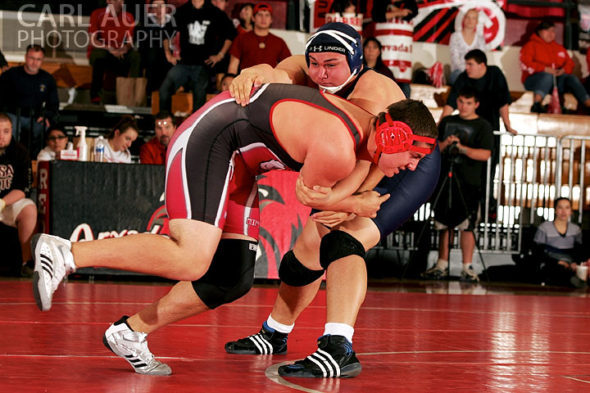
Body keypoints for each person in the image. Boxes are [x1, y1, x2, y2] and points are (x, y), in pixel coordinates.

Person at [31, 82, 438, 375]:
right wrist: (357, 203)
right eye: (413, 155)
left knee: (230, 277)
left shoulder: (367, 146)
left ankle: (130, 333)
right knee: (191, 257)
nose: (413, 167)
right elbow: (310, 198)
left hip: (241, 163)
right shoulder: (339, 145)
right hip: (211, 141)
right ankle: (65, 252)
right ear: (392, 134)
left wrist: (350, 202)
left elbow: (331, 206)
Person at [223, 23, 441, 378]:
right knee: (301, 260)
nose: (321, 73)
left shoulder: (371, 91)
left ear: (354, 62)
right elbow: (275, 73)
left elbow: (371, 161)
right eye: (315, 64)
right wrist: (250, 73)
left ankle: (338, 346)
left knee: (343, 240)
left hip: (403, 164)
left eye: (331, 65)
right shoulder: (307, 68)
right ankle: (275, 333)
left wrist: (347, 201)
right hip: (359, 162)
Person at [421, 87, 493, 282]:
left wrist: (462, 149)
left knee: (467, 225)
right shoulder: (447, 122)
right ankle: (441, 264)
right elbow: (433, 148)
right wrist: (447, 144)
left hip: (469, 182)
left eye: (468, 103)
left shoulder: (483, 126)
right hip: (445, 180)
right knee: (444, 223)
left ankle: (467, 266)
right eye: (460, 102)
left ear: (476, 104)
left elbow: (485, 154)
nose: (463, 106)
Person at [441, 49, 517, 216]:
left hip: (489, 129)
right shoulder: (463, 77)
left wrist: (507, 125)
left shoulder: (495, 74)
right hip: (466, 131)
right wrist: (440, 125)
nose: (467, 68)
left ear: (482, 65)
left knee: (489, 171)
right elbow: (451, 102)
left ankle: (485, 207)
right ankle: (466, 208)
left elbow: (503, 101)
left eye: (470, 64)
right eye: (466, 64)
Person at [159, 0, 236, 113]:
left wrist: (220, 55)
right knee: (165, 89)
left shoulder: (213, 11)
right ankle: (164, 121)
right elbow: (166, 31)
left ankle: (195, 128)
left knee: (199, 94)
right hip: (184, 63)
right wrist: (168, 54)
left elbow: (231, 33)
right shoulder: (182, 11)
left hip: (203, 65)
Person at [0, 44, 59, 157]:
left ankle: (34, 159)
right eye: (32, 58)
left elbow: (54, 103)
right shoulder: (11, 75)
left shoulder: (47, 79)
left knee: (44, 128)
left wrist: (47, 115)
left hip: (35, 116)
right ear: (26, 57)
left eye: (38, 59)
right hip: (12, 114)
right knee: (9, 129)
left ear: (42, 60)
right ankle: (9, 158)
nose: (34, 62)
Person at [521, 20, 590, 114]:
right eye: (547, 30)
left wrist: (563, 70)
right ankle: (536, 104)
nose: (550, 33)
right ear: (539, 31)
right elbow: (526, 63)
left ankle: (588, 104)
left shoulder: (559, 48)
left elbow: (570, 63)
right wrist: (545, 69)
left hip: (557, 81)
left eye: (553, 31)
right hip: (535, 80)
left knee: (572, 78)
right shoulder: (530, 46)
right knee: (547, 76)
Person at [0, 113, 37, 276]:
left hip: (8, 203)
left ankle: (26, 263)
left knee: (29, 209)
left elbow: (23, 189)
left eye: (6, 131)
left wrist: (1, 203)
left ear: (12, 132)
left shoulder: (20, 152)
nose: (1, 136)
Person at [88, 0, 142, 104]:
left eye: (122, 0)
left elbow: (130, 42)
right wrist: (109, 48)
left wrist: (125, 48)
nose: (120, 3)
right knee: (100, 57)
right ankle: (95, 96)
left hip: (119, 53)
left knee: (136, 56)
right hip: (104, 50)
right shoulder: (97, 14)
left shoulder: (128, 16)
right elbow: (93, 40)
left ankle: (133, 94)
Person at [533, 197, 589, 288]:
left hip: (570, 263)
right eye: (560, 207)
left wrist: (575, 263)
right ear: (555, 210)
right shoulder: (544, 227)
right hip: (550, 262)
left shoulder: (576, 230)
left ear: (571, 211)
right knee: (557, 270)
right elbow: (537, 252)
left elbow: (579, 251)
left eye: (567, 208)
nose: (564, 211)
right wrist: (558, 262)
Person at [227, 3, 291, 75]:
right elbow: (232, 67)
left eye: (267, 15)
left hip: (270, 83)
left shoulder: (279, 42)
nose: (263, 18)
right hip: (247, 82)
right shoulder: (241, 39)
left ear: (271, 20)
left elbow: (289, 67)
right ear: (253, 18)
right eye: (260, 15)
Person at [135, 0, 173, 99]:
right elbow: (142, 43)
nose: (158, 9)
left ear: (167, 8)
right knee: (152, 54)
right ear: (151, 9)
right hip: (151, 57)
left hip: (170, 55)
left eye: (161, 6)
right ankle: (149, 94)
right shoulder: (145, 22)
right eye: (155, 7)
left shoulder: (173, 22)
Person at [449, 8, 487, 84]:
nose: (470, 21)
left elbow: (481, 59)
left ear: (477, 22)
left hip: (476, 73)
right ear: (464, 19)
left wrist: (474, 72)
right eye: (468, 17)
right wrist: (468, 71)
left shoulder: (480, 39)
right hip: (459, 73)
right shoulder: (455, 37)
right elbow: (455, 60)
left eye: (473, 18)